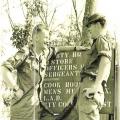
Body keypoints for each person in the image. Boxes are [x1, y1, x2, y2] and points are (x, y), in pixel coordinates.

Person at [0, 24, 77, 120]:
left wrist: (76, 48)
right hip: (22, 111)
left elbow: (57, 49)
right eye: (46, 37)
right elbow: (4, 68)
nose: (48, 40)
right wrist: (15, 88)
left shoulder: (44, 54)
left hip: (37, 109)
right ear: (36, 38)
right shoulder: (25, 53)